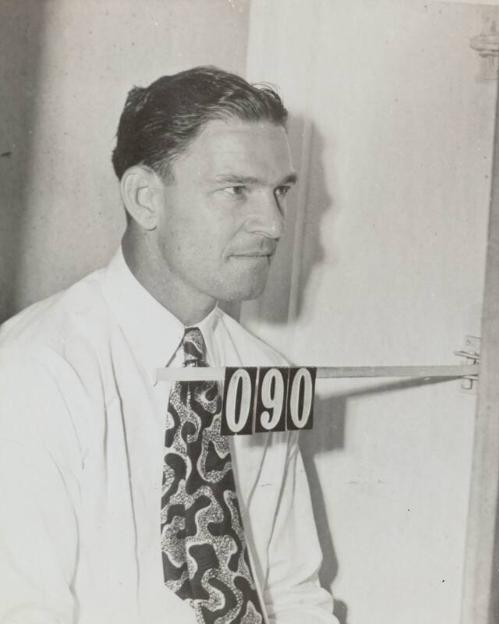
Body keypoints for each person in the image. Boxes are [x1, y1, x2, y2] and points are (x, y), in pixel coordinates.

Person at [0, 66, 338, 624]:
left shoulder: (264, 373)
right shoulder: (34, 371)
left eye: (279, 191)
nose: (275, 224)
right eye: (237, 190)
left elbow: (294, 593)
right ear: (144, 198)